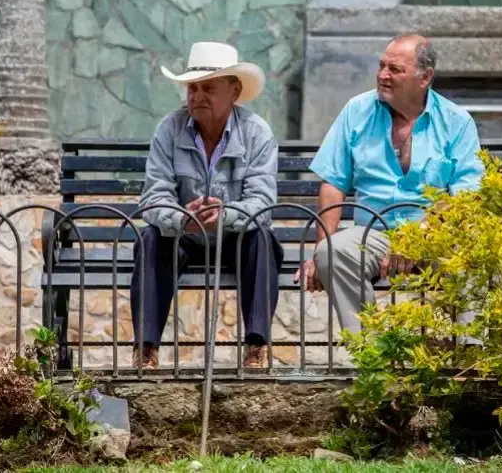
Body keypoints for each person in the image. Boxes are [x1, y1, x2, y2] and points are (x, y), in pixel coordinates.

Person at [294, 34, 484, 333]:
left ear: (425, 78)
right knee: (333, 251)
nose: (383, 75)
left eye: (395, 70)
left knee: (474, 254)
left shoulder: (456, 121)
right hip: (372, 234)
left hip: (434, 235)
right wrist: (320, 250)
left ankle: (473, 360)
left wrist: (417, 238)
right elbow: (332, 183)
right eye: (382, 66)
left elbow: (466, 194)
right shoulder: (356, 111)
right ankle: (369, 358)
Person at [131, 41, 283, 370]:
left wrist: (225, 216)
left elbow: (262, 203)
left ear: (234, 91)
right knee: (150, 238)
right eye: (192, 88)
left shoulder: (257, 133)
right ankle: (145, 351)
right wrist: (182, 219)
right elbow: (154, 196)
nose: (197, 96)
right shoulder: (169, 129)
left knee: (264, 239)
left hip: (235, 238)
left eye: (208, 88)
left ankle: (256, 347)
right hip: (183, 236)